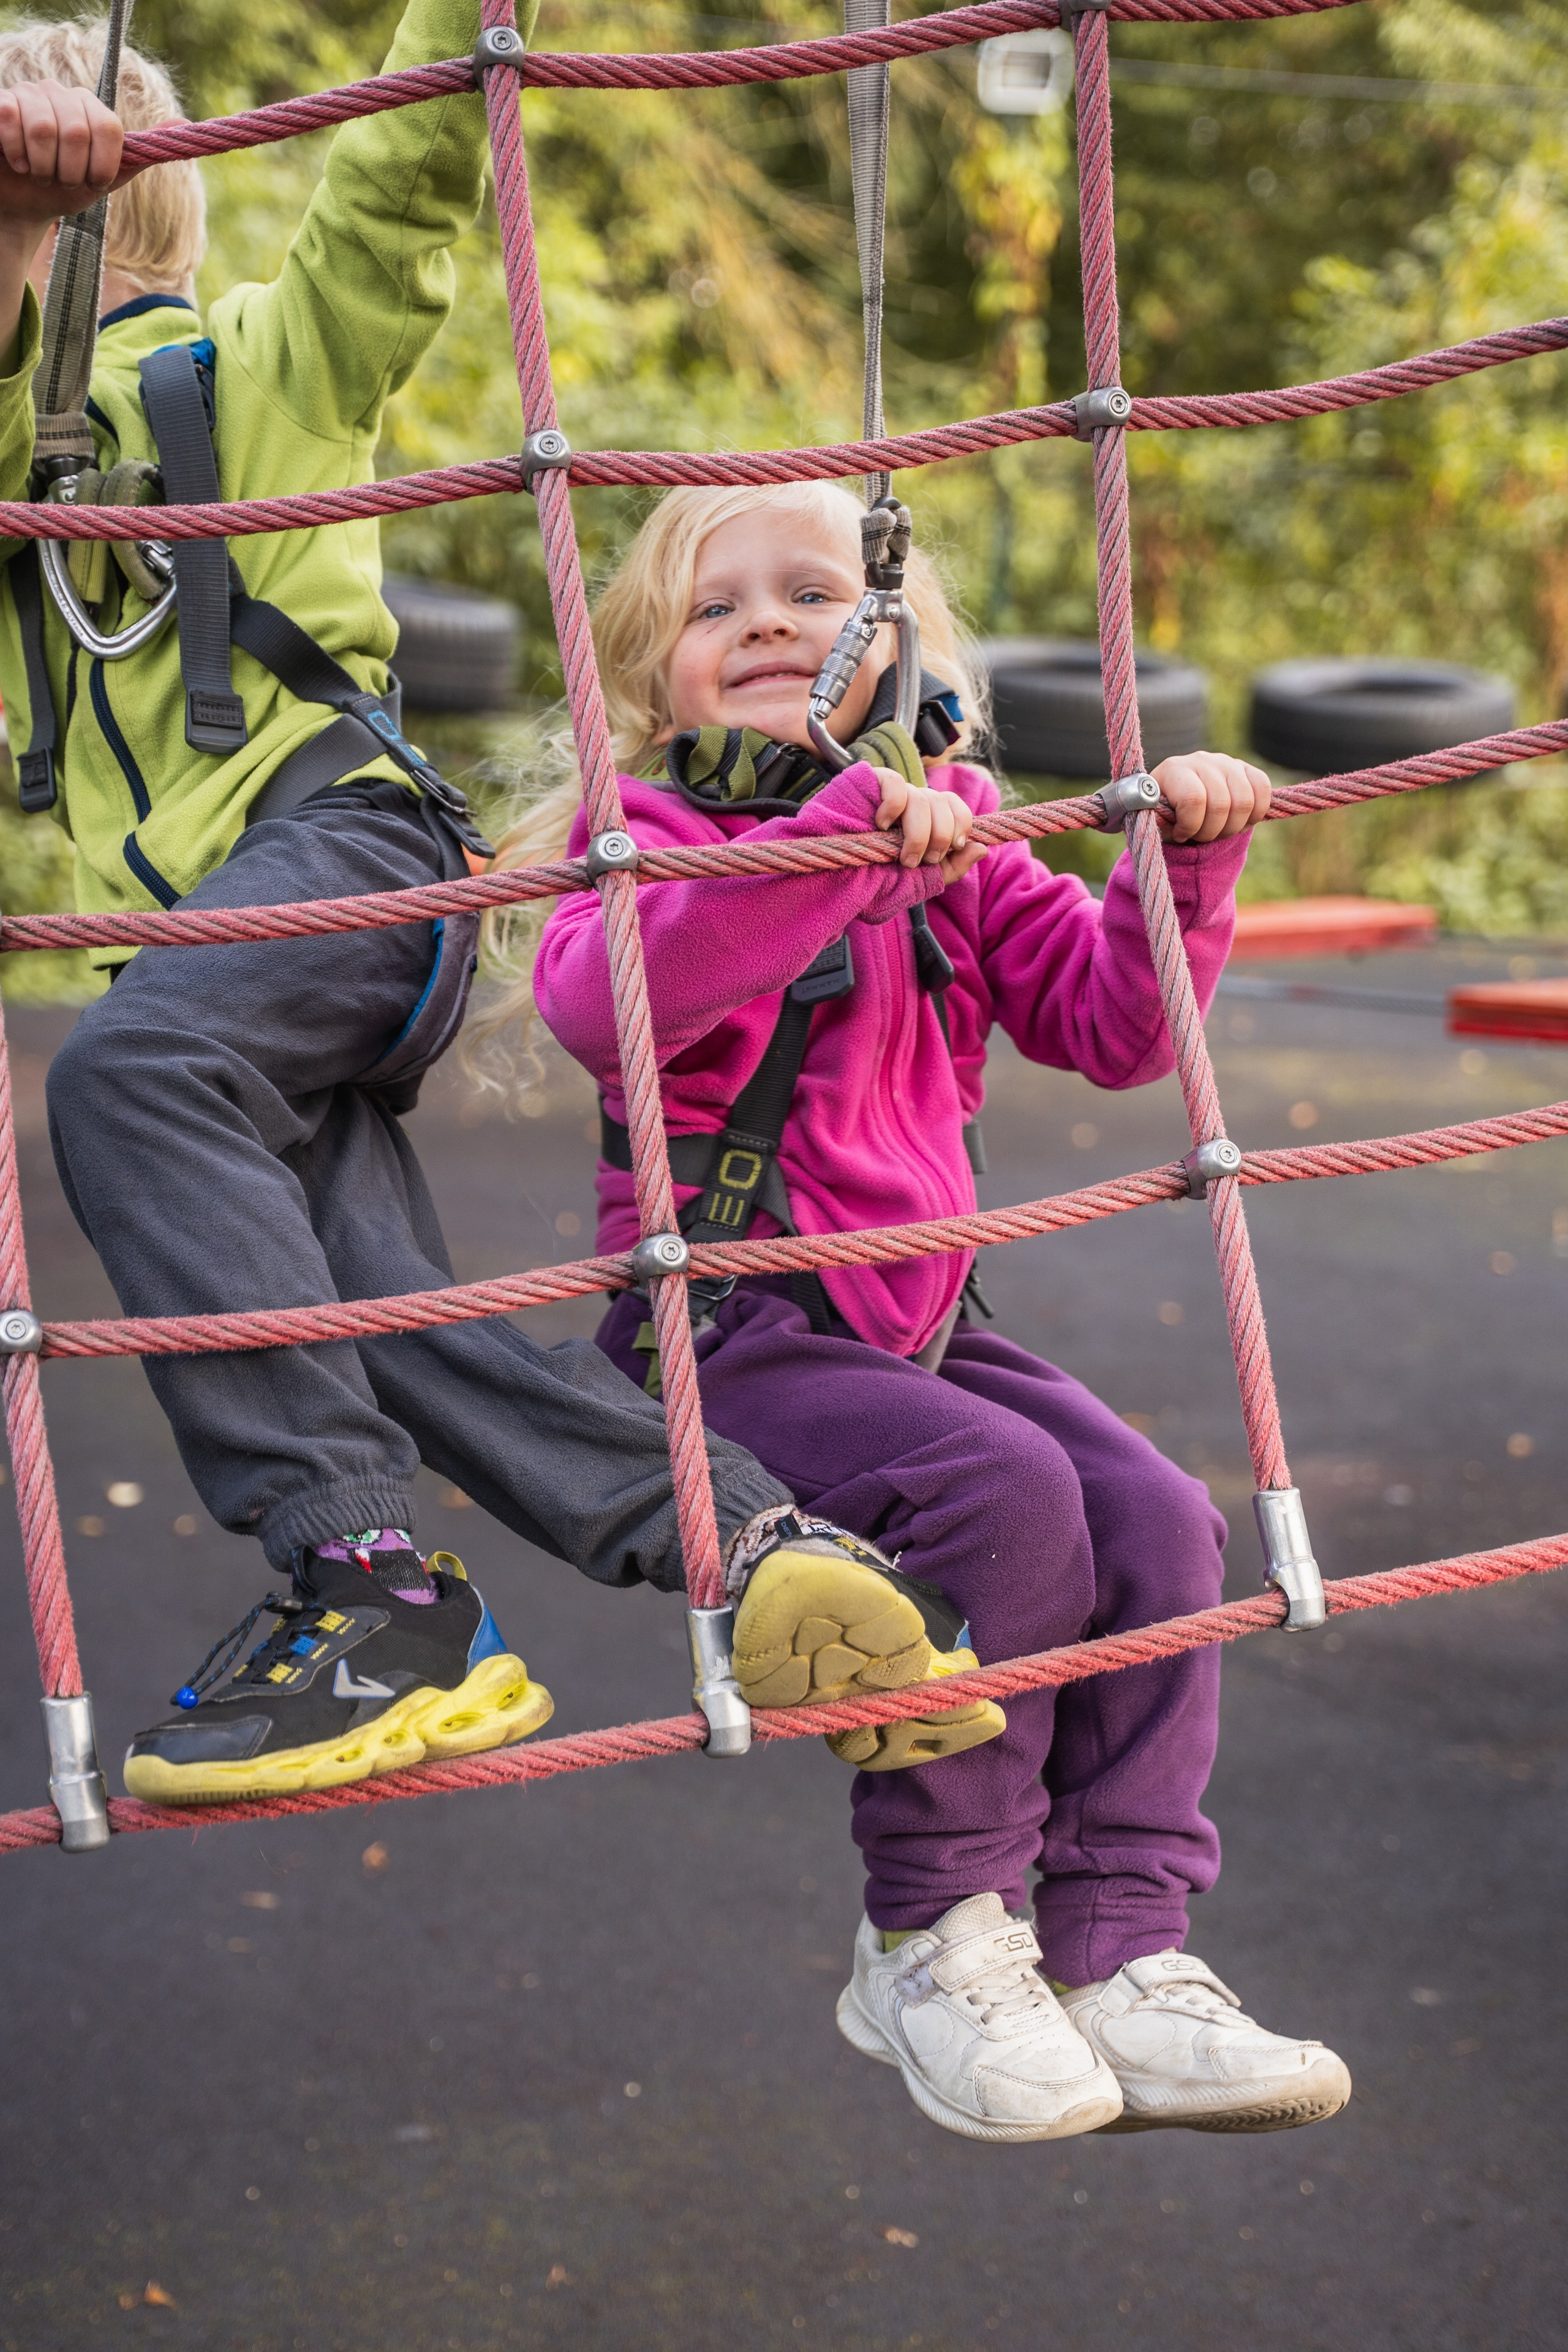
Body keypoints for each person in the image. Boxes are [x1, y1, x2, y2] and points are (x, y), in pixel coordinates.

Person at [0, 10, 968, 1810]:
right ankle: (767, 1551)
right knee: (391, 1320)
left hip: (346, 863)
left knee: (128, 1080)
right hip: (236, 980)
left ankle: (363, 1583)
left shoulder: (246, 374)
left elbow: (392, 189)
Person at [522, 477, 1354, 2143]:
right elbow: (603, 1001)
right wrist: (824, 852)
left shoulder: (955, 826)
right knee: (1007, 1497)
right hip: (725, 1329)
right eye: (716, 605)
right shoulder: (653, 835)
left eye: (813, 592)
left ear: (895, 635)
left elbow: (1120, 1029)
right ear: (641, 677)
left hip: (914, 1327)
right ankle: (932, 1929)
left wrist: (1179, 866)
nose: (767, 622)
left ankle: (1119, 1944)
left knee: (1164, 1529)